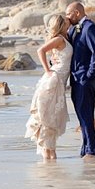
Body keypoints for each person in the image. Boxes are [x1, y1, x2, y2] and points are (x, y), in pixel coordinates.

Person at [24, 15, 72, 161]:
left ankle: (50, 161)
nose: (68, 20)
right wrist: (47, 69)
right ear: (62, 25)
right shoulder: (59, 39)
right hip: (53, 80)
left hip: (58, 80)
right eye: (66, 20)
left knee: (52, 119)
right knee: (48, 119)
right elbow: (41, 50)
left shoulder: (65, 37)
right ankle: (49, 161)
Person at [65, 2, 95, 159]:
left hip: (85, 79)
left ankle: (91, 150)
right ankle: (85, 148)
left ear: (76, 13)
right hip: (76, 78)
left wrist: (90, 75)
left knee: (86, 114)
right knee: (81, 115)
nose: (67, 17)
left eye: (68, 14)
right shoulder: (75, 29)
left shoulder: (90, 28)